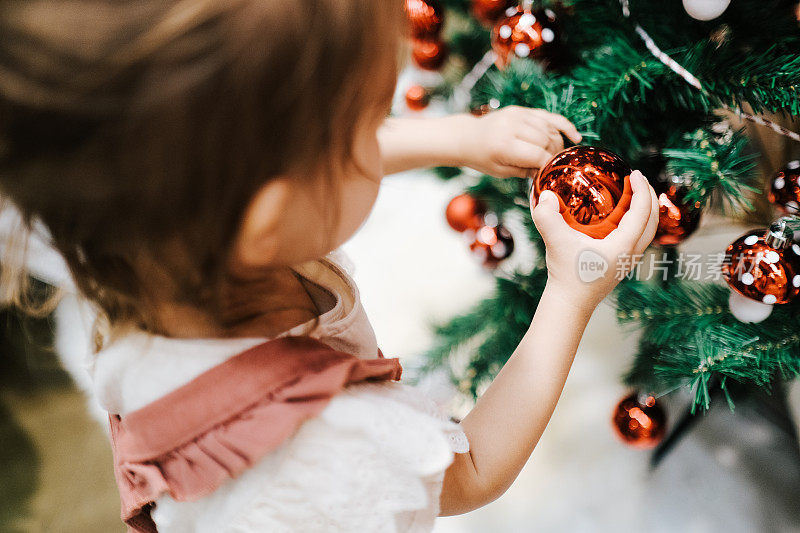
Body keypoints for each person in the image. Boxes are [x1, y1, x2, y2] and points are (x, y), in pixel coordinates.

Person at [0, 0, 659, 530]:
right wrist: (571, 293)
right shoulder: (329, 448)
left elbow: (297, 157)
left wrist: (459, 136)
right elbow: (473, 469)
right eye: (369, 119)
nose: (381, 133)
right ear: (270, 218)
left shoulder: (138, 239)